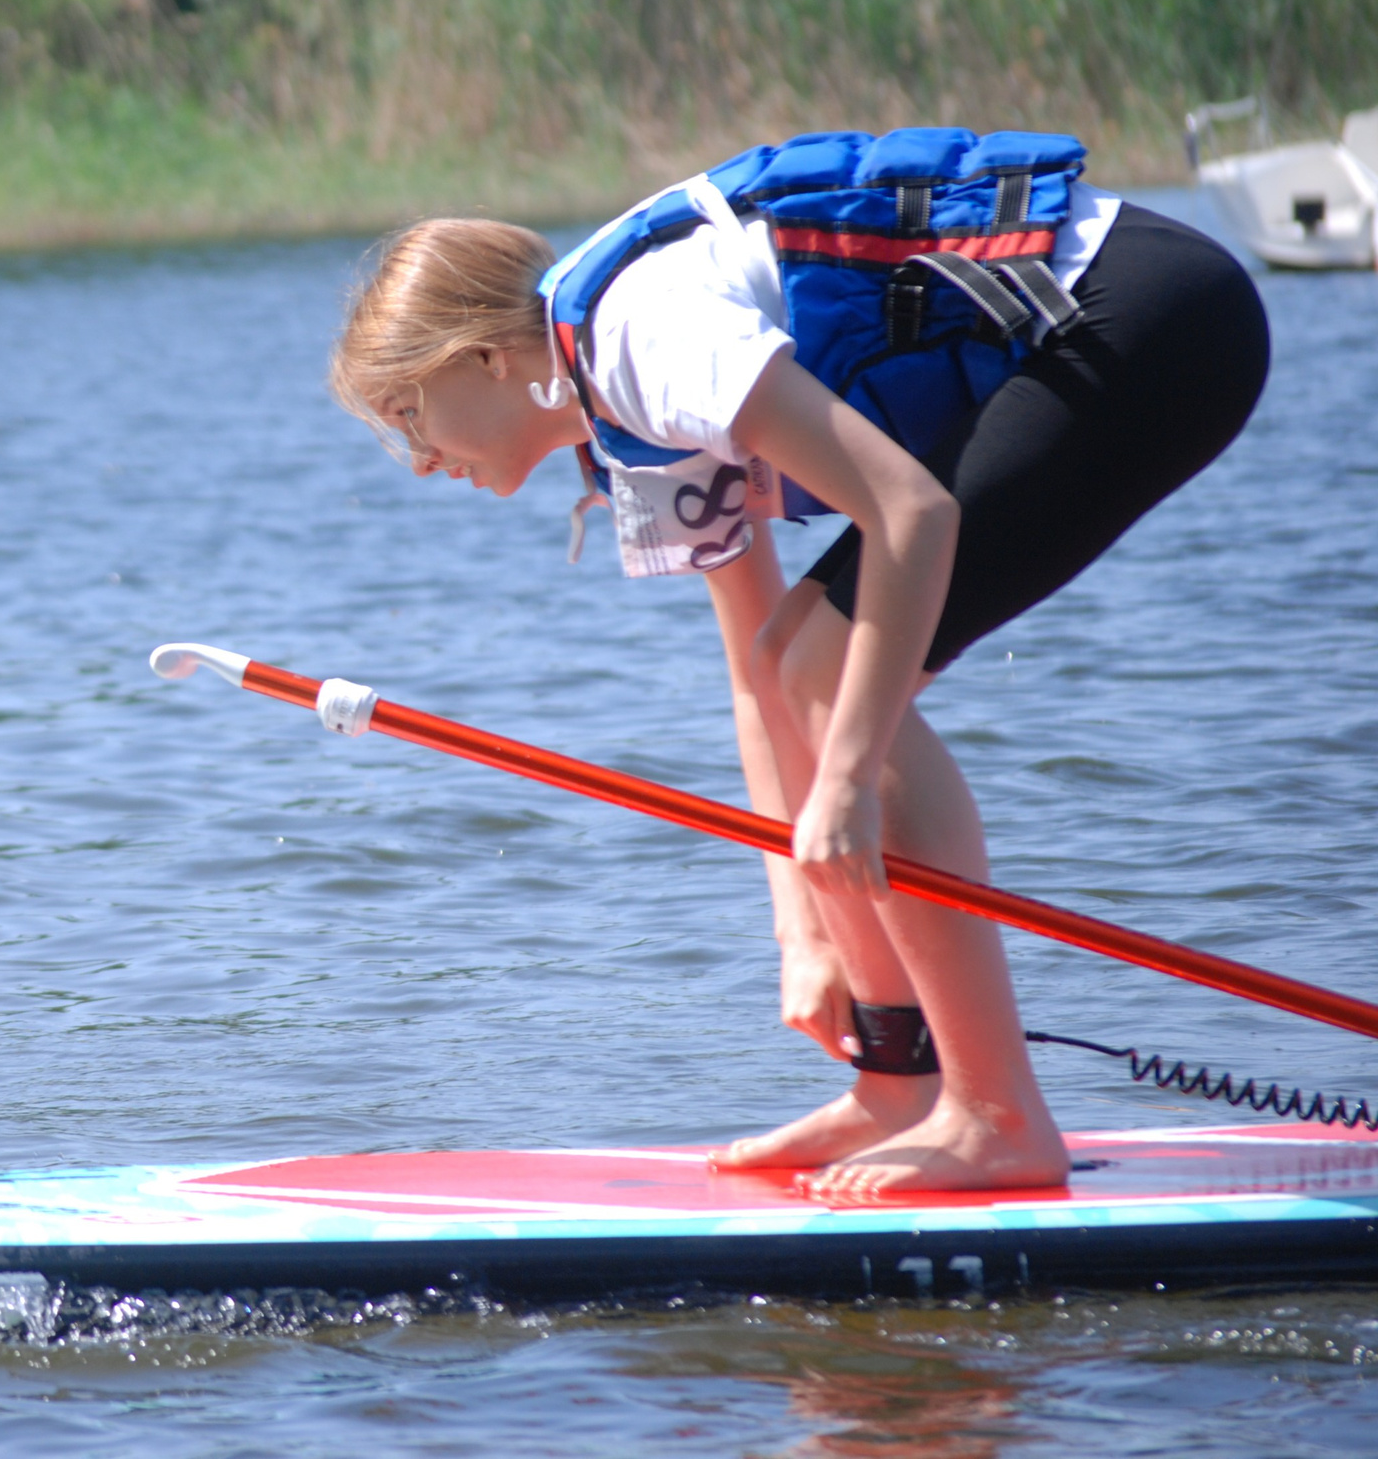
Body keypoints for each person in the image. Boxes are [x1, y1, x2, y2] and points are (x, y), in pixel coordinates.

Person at [328, 129, 1268, 1196]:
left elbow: (910, 513)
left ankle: (998, 1114)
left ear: (486, 360)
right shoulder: (617, 419)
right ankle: (898, 1081)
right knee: (795, 658)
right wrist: (801, 933)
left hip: (1151, 317)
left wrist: (850, 777)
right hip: (1114, 326)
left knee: (828, 674)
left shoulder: (638, 337)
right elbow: (752, 664)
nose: (417, 461)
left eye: (407, 413)